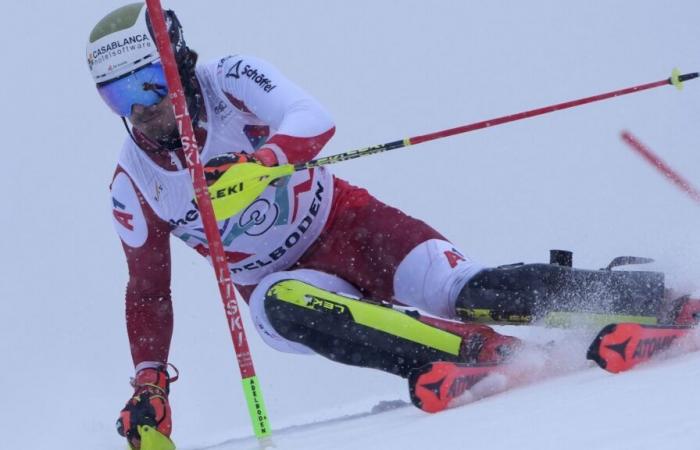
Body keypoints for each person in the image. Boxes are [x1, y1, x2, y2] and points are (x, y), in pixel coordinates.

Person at [87, 3, 686, 448]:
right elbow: (147, 290)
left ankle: (663, 303)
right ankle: (486, 355)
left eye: (150, 84)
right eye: (118, 98)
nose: (142, 110)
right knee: (281, 303)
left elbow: (312, 117)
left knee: (469, 291)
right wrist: (150, 385)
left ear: (181, 63)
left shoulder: (230, 79)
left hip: (349, 225)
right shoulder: (133, 183)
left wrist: (264, 162)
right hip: (278, 283)